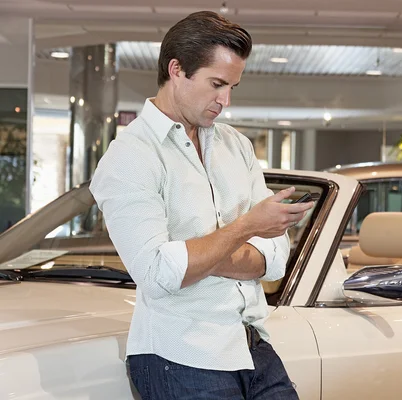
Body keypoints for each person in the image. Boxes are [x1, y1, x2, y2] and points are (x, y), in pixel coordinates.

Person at [89, 10, 312, 400]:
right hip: (180, 356)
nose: (224, 100)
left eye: (232, 87)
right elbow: (158, 273)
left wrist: (196, 254)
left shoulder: (235, 146)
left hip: (253, 347)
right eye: (216, 84)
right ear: (177, 70)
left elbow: (275, 260)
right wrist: (246, 228)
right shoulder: (130, 156)